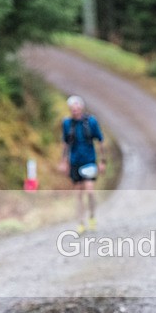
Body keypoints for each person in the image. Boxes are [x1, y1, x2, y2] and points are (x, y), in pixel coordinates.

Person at [60, 95, 106, 233]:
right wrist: (64, 161)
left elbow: (100, 140)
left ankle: (92, 216)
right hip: (75, 161)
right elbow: (65, 143)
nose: (75, 110)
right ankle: (80, 222)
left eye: (77, 108)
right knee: (78, 194)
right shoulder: (67, 124)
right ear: (70, 109)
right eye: (72, 109)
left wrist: (102, 161)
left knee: (90, 191)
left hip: (89, 161)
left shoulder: (91, 122)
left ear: (81, 107)